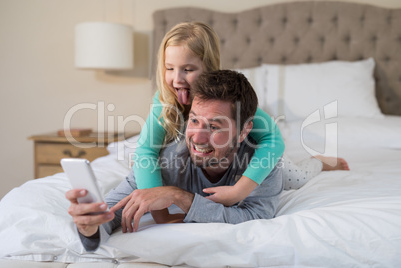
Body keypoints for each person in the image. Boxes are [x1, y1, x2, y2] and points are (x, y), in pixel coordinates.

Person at [132, 21, 348, 209]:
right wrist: (155, 202)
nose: (177, 79)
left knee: (296, 178)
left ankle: (319, 162)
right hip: (207, 159)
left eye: (187, 69)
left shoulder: (230, 101)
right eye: (170, 68)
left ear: (208, 68)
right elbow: (145, 151)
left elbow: (273, 140)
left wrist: (239, 191)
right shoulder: (164, 101)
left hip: (248, 153)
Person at [66, 70, 284, 251]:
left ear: (245, 131)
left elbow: (255, 219)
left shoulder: (263, 164)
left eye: (215, 127)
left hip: (275, 166)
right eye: (195, 120)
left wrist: (180, 197)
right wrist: (90, 227)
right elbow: (113, 212)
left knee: (296, 174)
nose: (197, 138)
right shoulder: (166, 159)